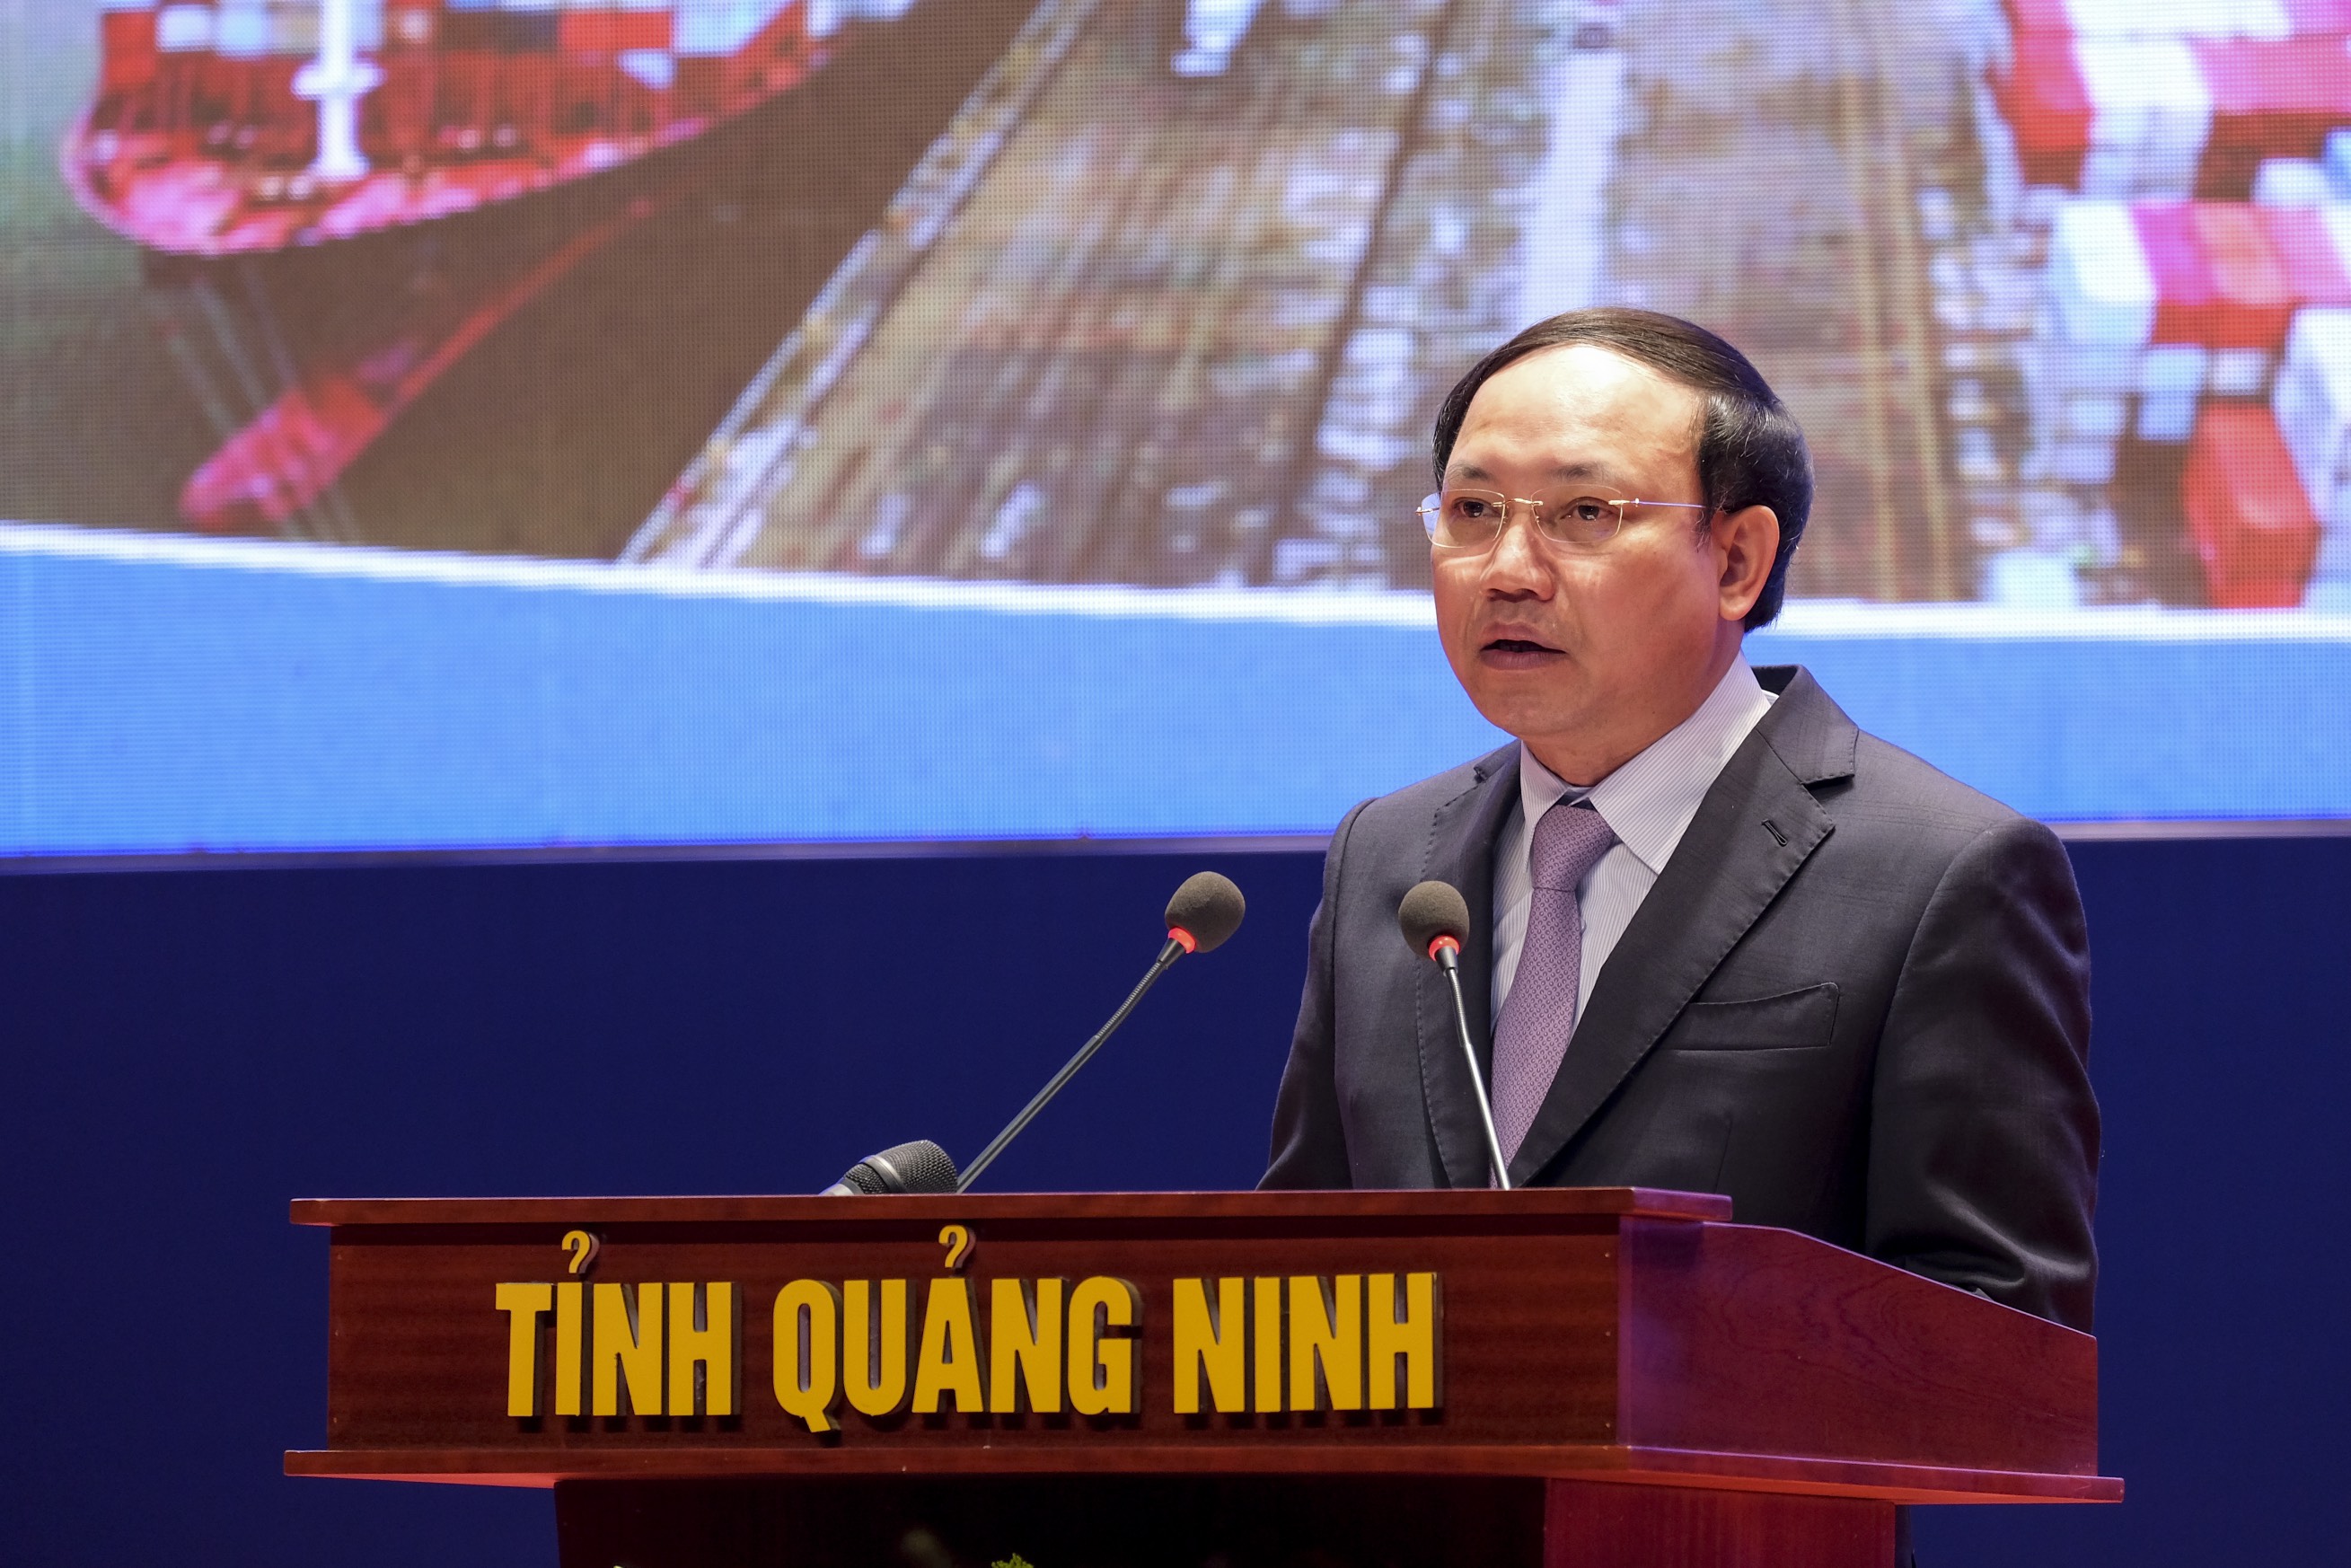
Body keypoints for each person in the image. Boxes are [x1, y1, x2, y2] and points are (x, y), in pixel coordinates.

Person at [1261, 307, 2099, 1335]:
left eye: (1584, 513)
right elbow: (1293, 1281)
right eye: (1472, 510)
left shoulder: (1938, 874)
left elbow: (1998, 1333)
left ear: (1736, 561)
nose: (1507, 569)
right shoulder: (1385, 857)